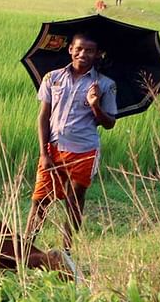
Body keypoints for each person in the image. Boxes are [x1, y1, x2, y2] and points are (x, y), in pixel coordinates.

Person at [23, 33, 117, 253]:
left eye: (89, 50)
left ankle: (66, 252)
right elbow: (43, 117)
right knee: (40, 200)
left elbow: (110, 123)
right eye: (79, 49)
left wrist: (95, 105)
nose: (83, 54)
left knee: (74, 201)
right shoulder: (52, 78)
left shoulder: (105, 85)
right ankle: (25, 249)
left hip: (84, 151)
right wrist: (44, 153)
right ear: (70, 50)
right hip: (53, 149)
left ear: (97, 54)